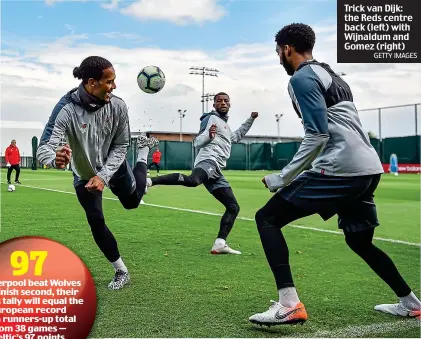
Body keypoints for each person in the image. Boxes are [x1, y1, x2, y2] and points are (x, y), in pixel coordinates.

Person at [248, 23, 421, 326]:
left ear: (287, 48)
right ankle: (411, 303)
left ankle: (289, 304)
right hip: (368, 168)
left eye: (278, 51)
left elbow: (317, 135)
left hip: (341, 169)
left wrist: (282, 176)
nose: (278, 58)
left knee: (267, 218)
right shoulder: (330, 73)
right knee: (360, 241)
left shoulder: (301, 78)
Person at [37, 56, 158, 290]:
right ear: (92, 83)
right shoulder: (66, 109)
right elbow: (45, 147)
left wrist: (103, 176)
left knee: (132, 203)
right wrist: (54, 159)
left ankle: (142, 154)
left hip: (114, 166)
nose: (114, 86)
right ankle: (121, 271)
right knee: (96, 220)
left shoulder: (119, 106)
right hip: (83, 175)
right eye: (109, 81)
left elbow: (122, 145)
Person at [147, 92, 258, 254]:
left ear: (230, 104)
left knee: (233, 207)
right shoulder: (210, 119)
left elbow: (236, 136)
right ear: (214, 105)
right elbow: (197, 141)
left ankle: (220, 243)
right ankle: (150, 182)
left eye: (226, 101)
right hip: (208, 160)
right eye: (219, 101)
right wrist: (209, 137)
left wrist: (251, 120)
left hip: (217, 169)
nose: (223, 103)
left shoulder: (224, 125)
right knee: (193, 181)